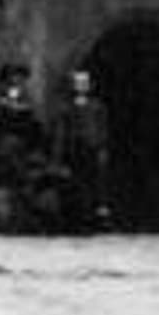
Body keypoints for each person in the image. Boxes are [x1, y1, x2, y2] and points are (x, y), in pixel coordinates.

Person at [57, 67, 114, 231]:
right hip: (75, 150)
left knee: (96, 183)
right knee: (76, 183)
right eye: (78, 82)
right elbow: (62, 132)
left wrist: (103, 148)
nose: (82, 85)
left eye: (85, 83)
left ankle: (98, 216)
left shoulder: (97, 106)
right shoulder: (66, 107)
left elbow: (103, 129)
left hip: (92, 149)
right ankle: (78, 217)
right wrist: (59, 156)